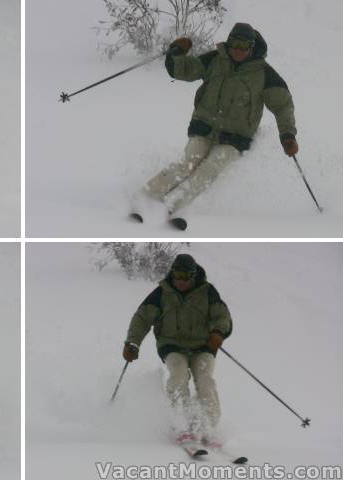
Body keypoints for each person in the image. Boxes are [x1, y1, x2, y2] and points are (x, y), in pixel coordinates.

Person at [139, 23, 298, 214]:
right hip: (205, 127)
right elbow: (183, 71)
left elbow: (283, 106)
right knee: (189, 161)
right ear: (229, 43)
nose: (238, 51)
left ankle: (177, 207)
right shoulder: (215, 60)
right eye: (234, 45)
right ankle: (145, 198)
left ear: (252, 47)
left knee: (210, 168)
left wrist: (288, 135)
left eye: (243, 46)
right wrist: (176, 54)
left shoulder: (264, 74)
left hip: (236, 136)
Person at [123, 254, 232, 442]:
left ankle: (208, 427)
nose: (180, 280)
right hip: (172, 344)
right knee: (178, 375)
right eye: (177, 275)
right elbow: (142, 318)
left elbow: (222, 315)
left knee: (205, 379)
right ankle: (181, 424)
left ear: (193, 275)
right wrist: (133, 342)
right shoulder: (162, 292)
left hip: (203, 345)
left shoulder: (207, 291)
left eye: (185, 276)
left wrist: (218, 332)